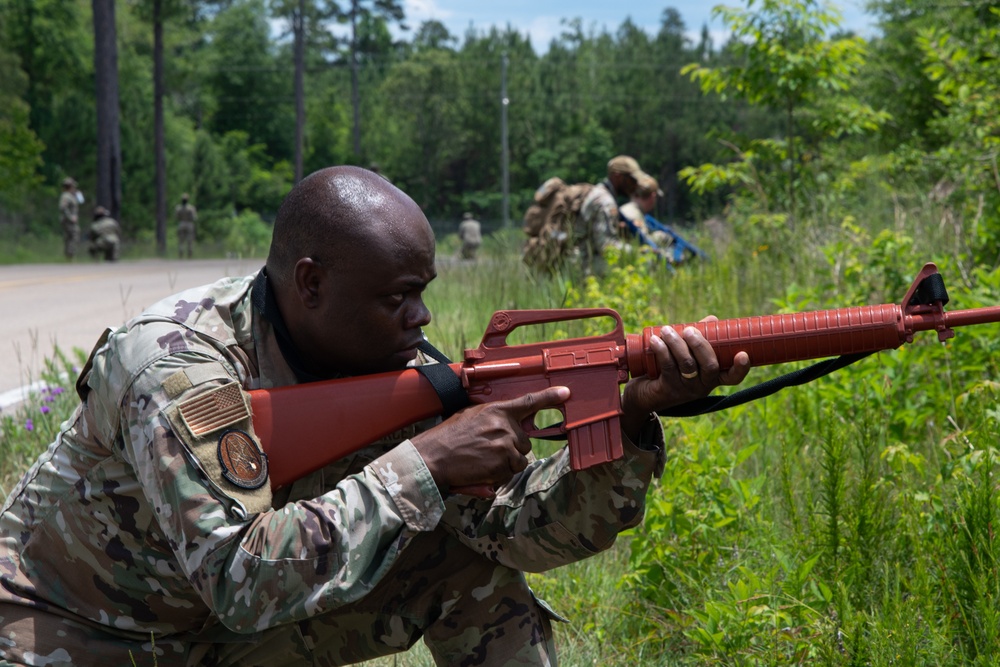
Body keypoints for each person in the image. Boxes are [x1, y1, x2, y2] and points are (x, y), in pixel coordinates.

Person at [0, 165, 751, 666]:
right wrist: (424, 465)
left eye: (423, 288)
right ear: (311, 282)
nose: (422, 316)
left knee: (467, 566)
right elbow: (239, 575)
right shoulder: (178, 364)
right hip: (72, 629)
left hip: (212, 637)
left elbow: (519, 532)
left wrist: (630, 421)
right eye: (399, 295)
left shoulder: (402, 367)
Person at [576, 155, 651, 275]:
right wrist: (638, 252)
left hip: (582, 259)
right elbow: (606, 246)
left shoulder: (600, 193)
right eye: (632, 180)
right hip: (583, 264)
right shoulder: (606, 202)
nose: (635, 185)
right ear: (618, 177)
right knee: (641, 263)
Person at [58, 177, 80, 260]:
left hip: (69, 221)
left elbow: (81, 201)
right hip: (68, 221)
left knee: (70, 238)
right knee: (73, 237)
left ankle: (69, 257)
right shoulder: (66, 196)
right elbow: (63, 208)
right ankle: (70, 256)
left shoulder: (70, 196)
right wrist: (71, 217)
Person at [175, 193, 198, 259]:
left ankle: (181, 255)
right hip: (189, 224)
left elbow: (176, 217)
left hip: (181, 223)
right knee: (190, 241)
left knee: (181, 241)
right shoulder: (191, 208)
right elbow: (194, 217)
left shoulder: (178, 208)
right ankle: (189, 256)